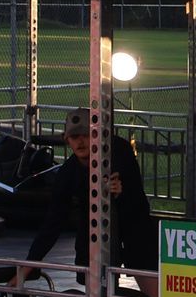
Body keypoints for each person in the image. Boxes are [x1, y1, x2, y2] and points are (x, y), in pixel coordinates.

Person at [24, 107, 157, 279]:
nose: (80, 142)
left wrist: (119, 192)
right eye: (74, 137)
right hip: (94, 235)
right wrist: (30, 263)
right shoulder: (68, 172)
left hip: (133, 227)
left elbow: (135, 198)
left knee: (147, 274)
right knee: (91, 274)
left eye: (86, 136)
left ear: (98, 136)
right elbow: (54, 219)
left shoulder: (119, 151)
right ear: (66, 139)